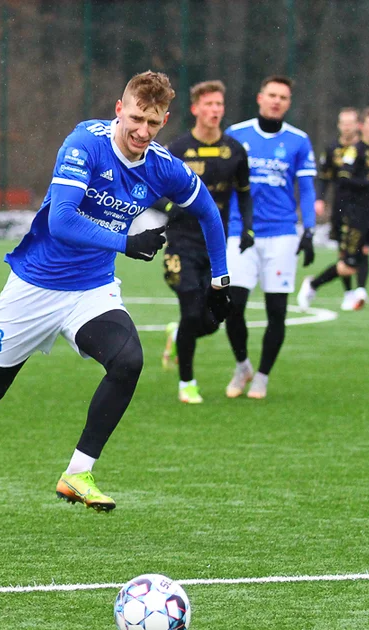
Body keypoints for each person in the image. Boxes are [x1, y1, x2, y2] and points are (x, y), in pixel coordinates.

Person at [0, 71, 230, 522]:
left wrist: (221, 280)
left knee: (128, 361)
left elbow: (209, 212)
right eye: (135, 118)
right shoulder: (85, 144)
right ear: (119, 108)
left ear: (164, 121)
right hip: (33, 287)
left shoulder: (163, 166)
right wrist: (125, 243)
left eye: (153, 124)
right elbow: (61, 221)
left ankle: (79, 471)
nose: (141, 131)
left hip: (91, 291)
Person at [158, 79, 253, 404]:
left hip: (217, 247)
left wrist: (248, 228)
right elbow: (154, 191)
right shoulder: (178, 150)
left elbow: (244, 194)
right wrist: (172, 207)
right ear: (196, 108)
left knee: (213, 320)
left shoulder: (234, 150)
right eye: (209, 104)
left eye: (219, 105)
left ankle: (177, 336)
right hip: (181, 246)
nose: (215, 110)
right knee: (190, 311)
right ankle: (187, 382)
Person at [223, 75, 317, 400]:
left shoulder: (299, 140)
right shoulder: (236, 135)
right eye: (272, 95)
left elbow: (305, 189)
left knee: (276, 310)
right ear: (260, 98)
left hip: (282, 235)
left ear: (288, 103)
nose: (277, 101)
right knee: (233, 306)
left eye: (283, 97)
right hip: (240, 231)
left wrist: (310, 230)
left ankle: (262, 375)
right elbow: (222, 185)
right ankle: (242, 365)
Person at [320, 105, 369, 330]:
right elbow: (344, 179)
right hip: (356, 218)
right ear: (363, 127)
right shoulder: (355, 151)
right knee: (347, 266)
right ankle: (313, 284)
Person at [299, 107, 369, 311]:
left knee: (360, 249)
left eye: (350, 123)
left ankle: (357, 291)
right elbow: (324, 177)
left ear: (358, 125)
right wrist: (320, 199)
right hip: (342, 207)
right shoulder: (332, 149)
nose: (347, 127)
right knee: (345, 254)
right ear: (339, 125)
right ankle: (348, 292)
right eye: (343, 123)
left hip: (364, 208)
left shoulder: (364, 149)